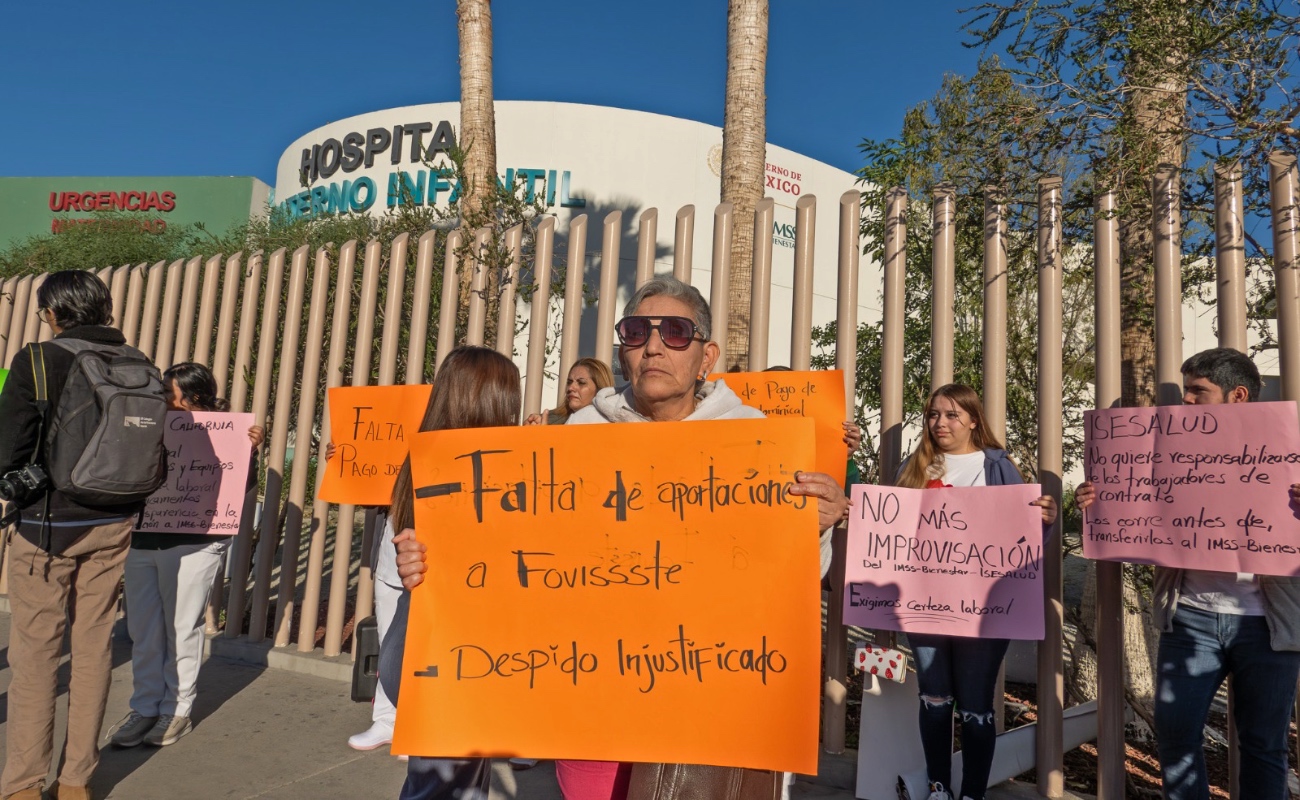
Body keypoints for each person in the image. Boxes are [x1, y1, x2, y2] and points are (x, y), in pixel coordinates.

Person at [395, 277, 849, 800]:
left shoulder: (755, 437)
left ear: (707, 357)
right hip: (595, 703)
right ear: (623, 348)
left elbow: (796, 580)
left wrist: (817, 526)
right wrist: (431, 564)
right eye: (637, 331)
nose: (654, 346)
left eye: (676, 332)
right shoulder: (580, 435)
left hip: (712, 700)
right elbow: (507, 564)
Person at [1076, 347, 1300, 800]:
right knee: (1176, 736)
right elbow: (1136, 503)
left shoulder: (1288, 450)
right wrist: (1099, 499)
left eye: (1198, 392)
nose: (1187, 402)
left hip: (1268, 627)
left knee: (1263, 744)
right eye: (1186, 392)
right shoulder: (1168, 448)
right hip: (1191, 617)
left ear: (1238, 396)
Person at [0, 271, 157, 800]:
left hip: (47, 529)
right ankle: (76, 782)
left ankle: (22, 785)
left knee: (36, 656)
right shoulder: (135, 361)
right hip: (113, 521)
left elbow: (7, 452)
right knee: (93, 652)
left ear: (52, 311)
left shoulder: (38, 360)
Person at [896, 384, 1056, 800]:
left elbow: (1024, 537)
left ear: (972, 420)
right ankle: (937, 788)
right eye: (933, 414)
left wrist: (1047, 520)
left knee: (976, 708)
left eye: (951, 415)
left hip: (983, 609)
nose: (940, 423)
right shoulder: (913, 466)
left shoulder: (999, 468)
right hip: (925, 604)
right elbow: (891, 531)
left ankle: (971, 794)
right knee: (933, 698)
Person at [381, 345, 524, 800]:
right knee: (442, 787)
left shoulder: (422, 462)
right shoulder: (482, 474)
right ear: (493, 402)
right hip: (450, 660)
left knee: (454, 783)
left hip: (422, 649)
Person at [108, 363, 264, 749]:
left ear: (192, 397)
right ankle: (144, 707)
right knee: (143, 630)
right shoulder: (151, 426)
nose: (162, 397)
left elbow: (236, 486)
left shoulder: (226, 433)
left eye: (167, 391)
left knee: (182, 627)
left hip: (196, 541)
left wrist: (249, 451)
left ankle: (176, 710)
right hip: (144, 539)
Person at [524, 357, 614, 426]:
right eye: (569, 382)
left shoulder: (615, 423)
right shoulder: (547, 421)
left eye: (581, 383)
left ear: (600, 390)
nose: (571, 387)